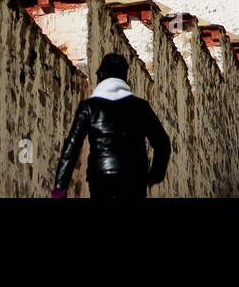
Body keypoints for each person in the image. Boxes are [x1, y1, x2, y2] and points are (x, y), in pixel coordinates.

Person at [52, 53, 171, 199]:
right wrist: (155, 174)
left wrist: (60, 188)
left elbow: (71, 148)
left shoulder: (89, 107)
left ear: (101, 76)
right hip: (133, 176)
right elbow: (162, 142)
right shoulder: (140, 107)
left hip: (100, 175)